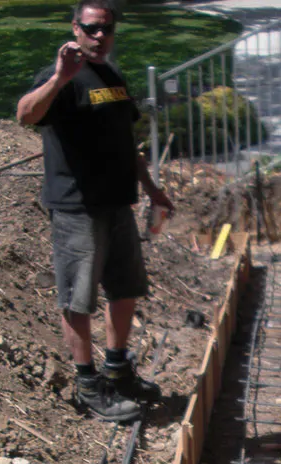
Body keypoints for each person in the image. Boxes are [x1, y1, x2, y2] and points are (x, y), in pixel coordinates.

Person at [16, 0, 174, 422]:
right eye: (91, 28)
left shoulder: (113, 75)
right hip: (77, 207)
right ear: (75, 28)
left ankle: (118, 368)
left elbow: (128, 143)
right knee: (78, 297)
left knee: (124, 289)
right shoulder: (61, 77)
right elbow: (25, 115)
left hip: (118, 202)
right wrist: (59, 78)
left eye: (106, 28)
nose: (99, 36)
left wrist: (152, 190)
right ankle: (88, 384)